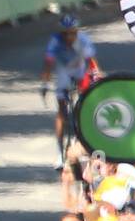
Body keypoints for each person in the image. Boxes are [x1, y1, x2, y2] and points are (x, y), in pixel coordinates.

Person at [41, 12, 100, 172]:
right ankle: (60, 153)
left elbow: (91, 62)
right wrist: (45, 83)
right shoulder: (55, 41)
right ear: (61, 34)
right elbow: (48, 63)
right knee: (61, 110)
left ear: (77, 32)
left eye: (72, 33)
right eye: (65, 34)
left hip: (79, 70)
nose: (69, 37)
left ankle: (83, 135)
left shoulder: (83, 39)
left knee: (86, 102)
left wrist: (97, 77)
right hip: (64, 72)